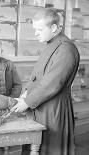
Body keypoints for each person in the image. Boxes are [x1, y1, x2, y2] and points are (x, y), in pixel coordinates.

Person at [11, 8, 80, 155]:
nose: (36, 33)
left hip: (53, 109)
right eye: (35, 29)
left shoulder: (66, 49)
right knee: (35, 146)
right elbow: (39, 76)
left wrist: (27, 102)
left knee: (50, 147)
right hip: (42, 104)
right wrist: (26, 93)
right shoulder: (52, 44)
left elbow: (53, 83)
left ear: (54, 28)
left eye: (40, 29)